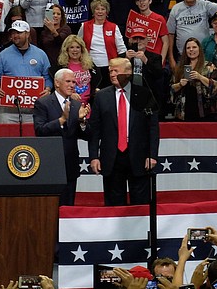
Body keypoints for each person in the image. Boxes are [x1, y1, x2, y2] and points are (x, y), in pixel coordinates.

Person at [89, 56, 159, 206]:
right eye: (110, 71)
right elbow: (95, 130)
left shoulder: (144, 94)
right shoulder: (101, 96)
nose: (112, 74)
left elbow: (152, 128)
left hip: (139, 158)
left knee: (141, 205)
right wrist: (94, 156)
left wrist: (152, 155)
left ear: (128, 73)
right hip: (111, 159)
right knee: (114, 206)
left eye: (116, 71)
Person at [33, 68, 91, 205]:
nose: (72, 85)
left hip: (70, 164)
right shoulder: (43, 103)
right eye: (68, 81)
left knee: (69, 205)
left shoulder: (77, 105)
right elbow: (39, 130)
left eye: (74, 82)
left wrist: (82, 121)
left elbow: (88, 135)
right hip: (50, 164)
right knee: (50, 207)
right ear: (57, 83)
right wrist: (61, 120)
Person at [0, 20, 52, 123]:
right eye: (13, 33)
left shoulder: (41, 54)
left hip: (34, 108)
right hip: (8, 110)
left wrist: (48, 89)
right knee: (8, 137)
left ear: (27, 34)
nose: (15, 35)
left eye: (18, 32)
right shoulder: (3, 54)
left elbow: (47, 76)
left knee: (31, 139)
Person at [167, 0, 217, 68]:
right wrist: (171, 58)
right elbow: (170, 34)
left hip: (204, 55)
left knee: (203, 80)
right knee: (184, 80)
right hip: (183, 56)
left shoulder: (204, 5)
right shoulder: (176, 9)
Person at [78, 0, 127, 85]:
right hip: (90, 66)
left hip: (109, 67)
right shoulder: (84, 26)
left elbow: (122, 49)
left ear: (106, 12)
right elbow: (78, 44)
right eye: (97, 9)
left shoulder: (113, 27)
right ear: (93, 11)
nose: (100, 12)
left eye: (102, 9)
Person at [170, 37, 217, 121]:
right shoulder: (179, 68)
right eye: (188, 48)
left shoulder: (209, 66)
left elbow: (216, 87)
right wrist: (180, 84)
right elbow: (171, 89)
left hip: (204, 111)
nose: (191, 50)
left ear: (199, 49)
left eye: (194, 47)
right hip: (184, 111)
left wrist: (200, 77)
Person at [57, 34, 100, 105]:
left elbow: (96, 81)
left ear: (82, 49)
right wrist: (70, 94)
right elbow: (57, 86)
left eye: (78, 47)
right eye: (71, 47)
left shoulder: (89, 64)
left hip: (89, 104)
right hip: (70, 104)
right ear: (67, 50)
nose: (75, 50)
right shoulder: (61, 66)